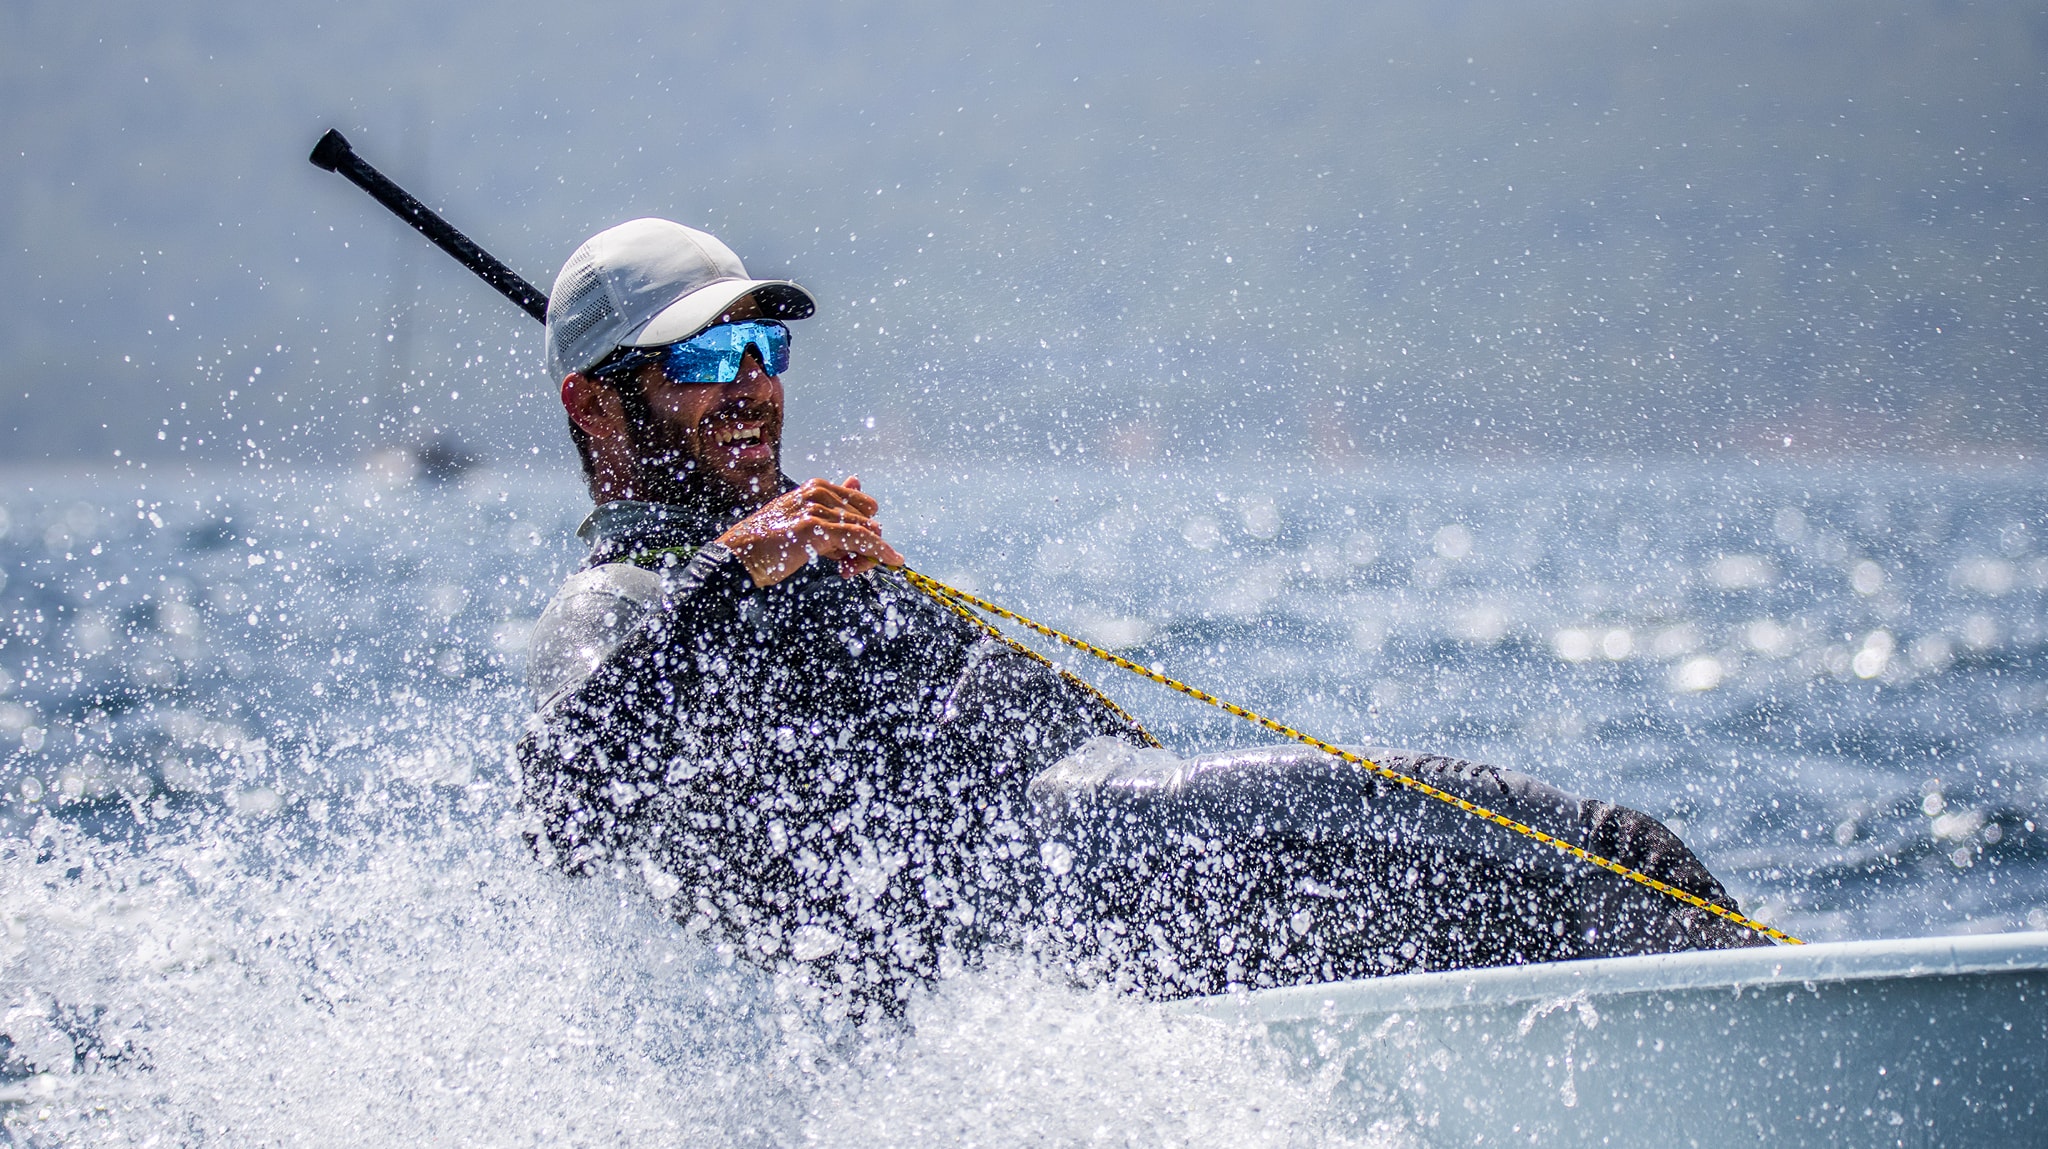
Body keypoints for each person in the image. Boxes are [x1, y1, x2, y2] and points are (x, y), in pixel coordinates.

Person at [517, 219, 1768, 1019]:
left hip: (1112, 858)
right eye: (698, 362)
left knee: (1576, 861)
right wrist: (738, 576)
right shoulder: (617, 603)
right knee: (1580, 849)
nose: (746, 386)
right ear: (595, 407)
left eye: (760, 353)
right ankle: (1765, 1011)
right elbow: (566, 800)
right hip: (1045, 886)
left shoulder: (795, 555)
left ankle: (1710, 999)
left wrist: (833, 581)